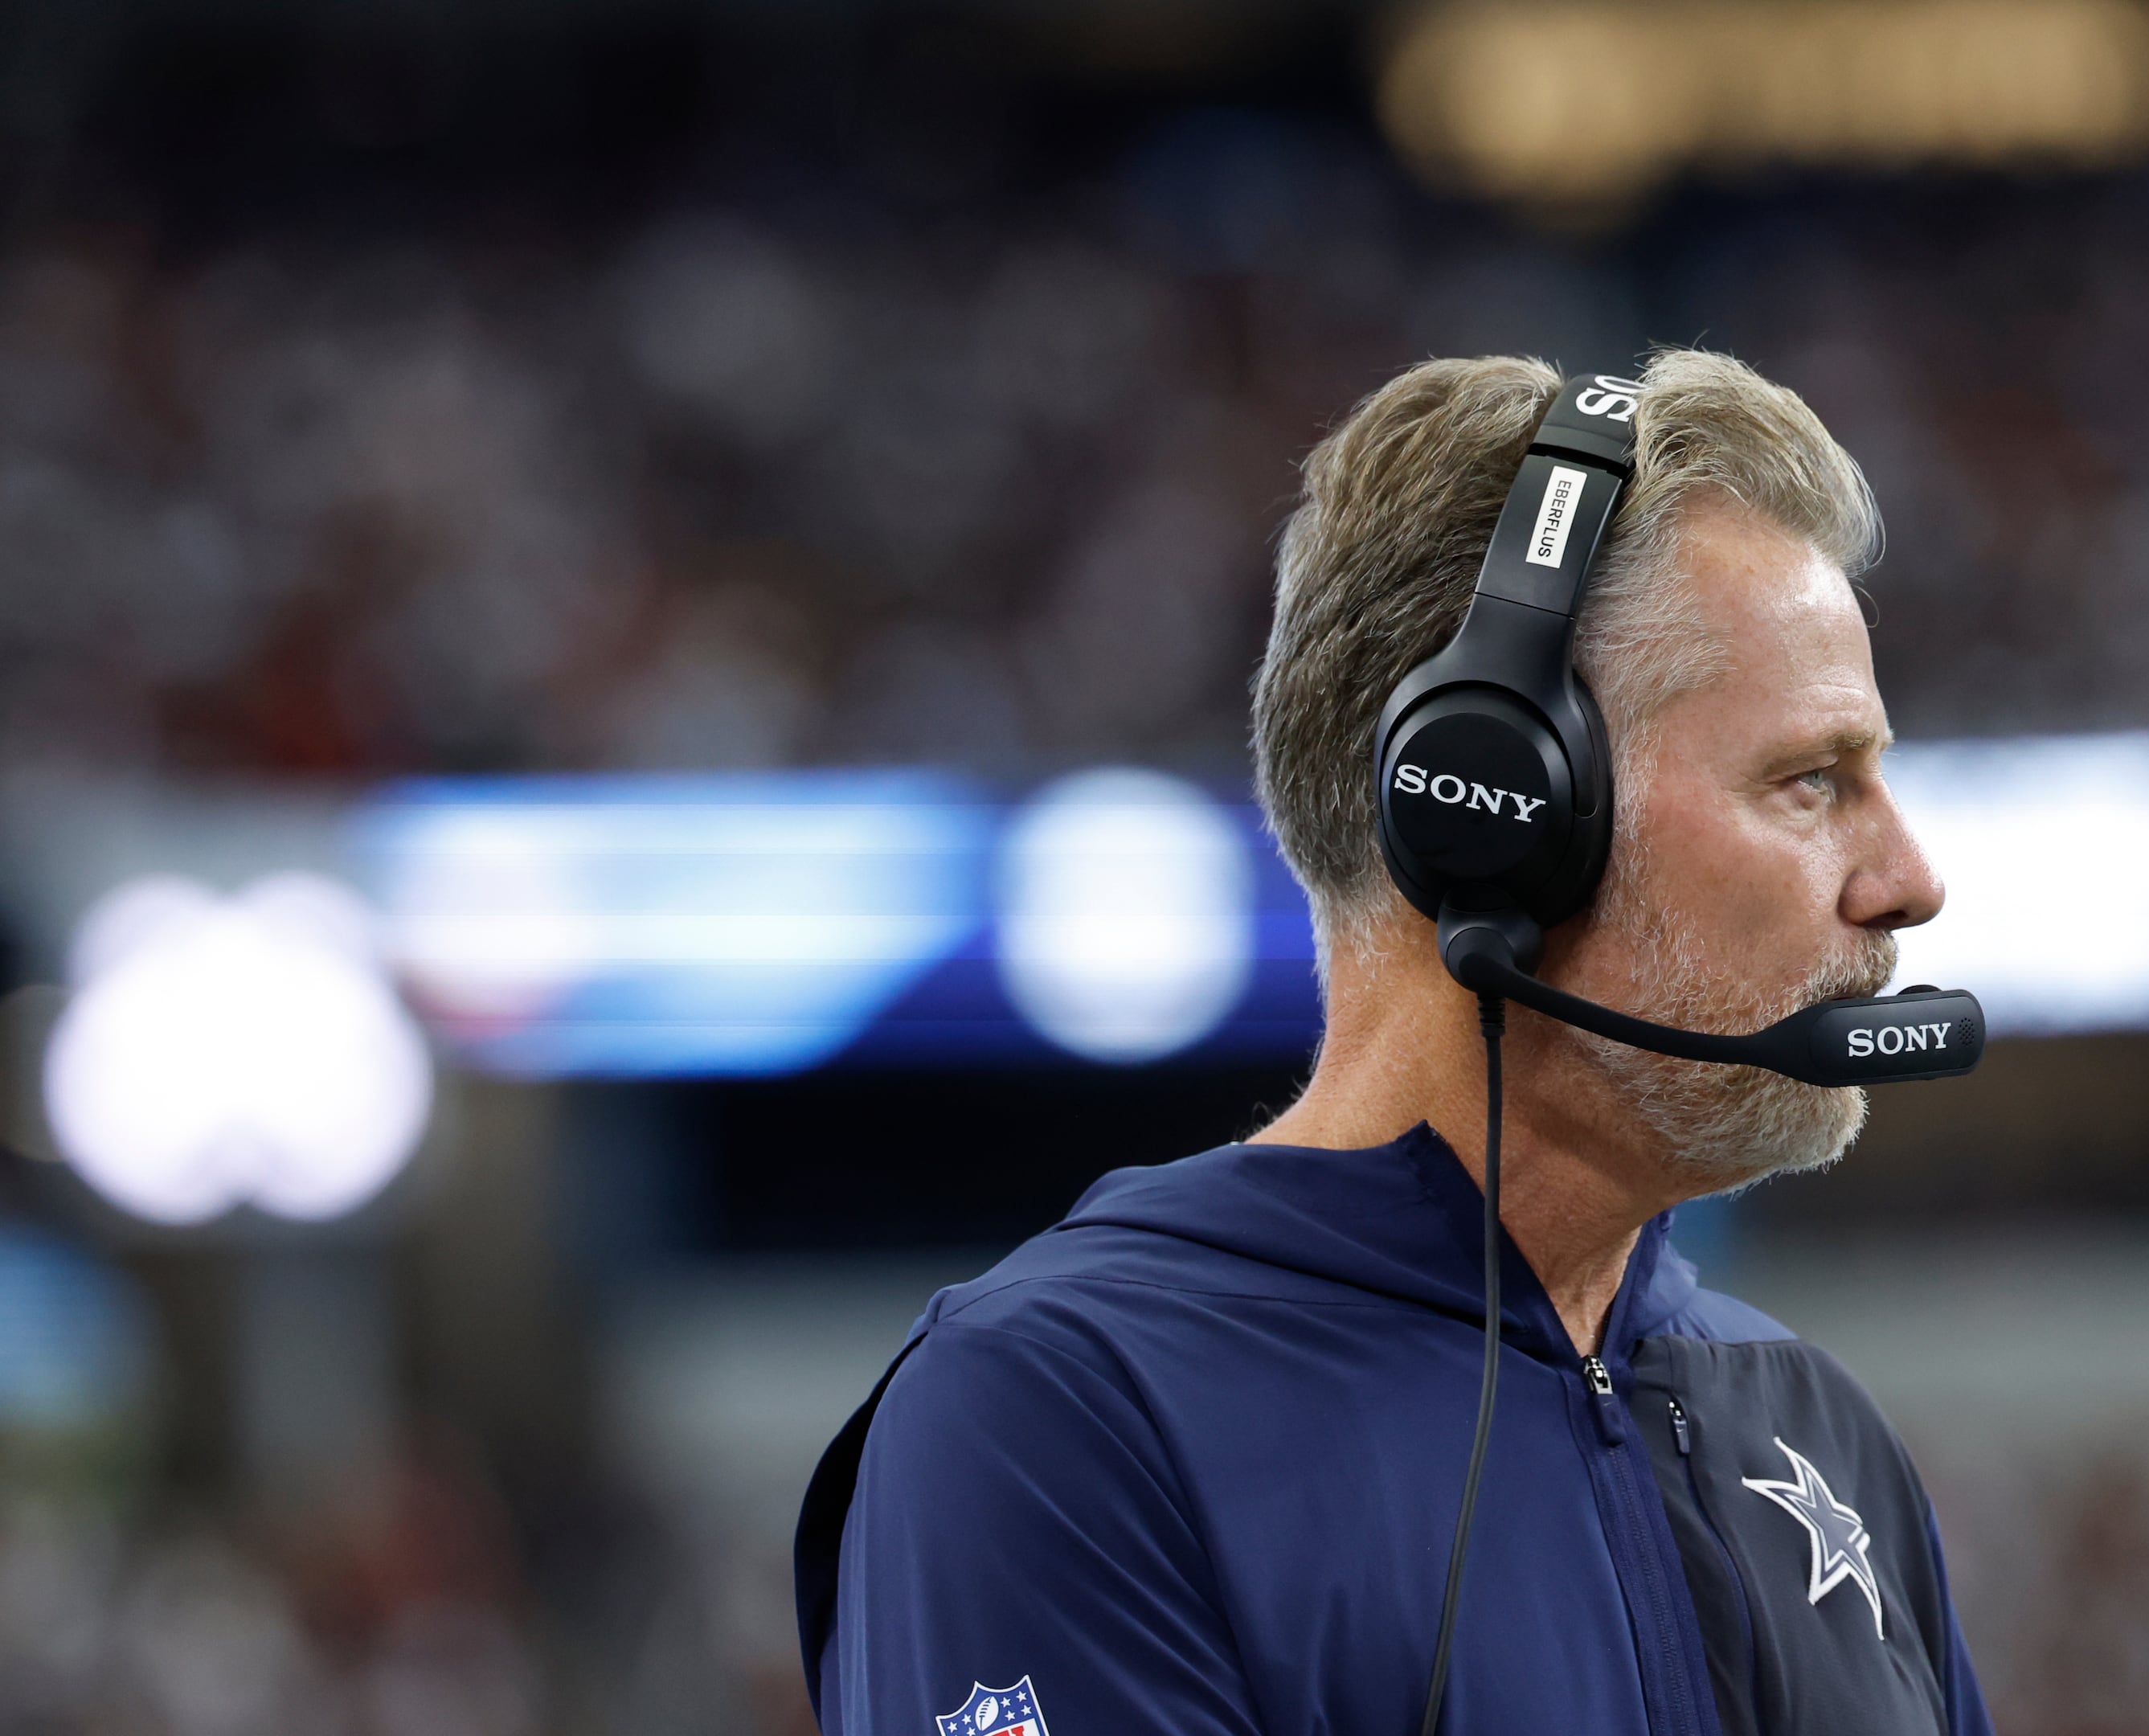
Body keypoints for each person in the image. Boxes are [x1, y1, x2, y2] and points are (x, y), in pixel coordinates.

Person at [796, 350, 1991, 1736]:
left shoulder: (1814, 1428)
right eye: (1810, 782)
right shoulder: (1060, 1413)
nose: (1905, 878)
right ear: (1501, 813)